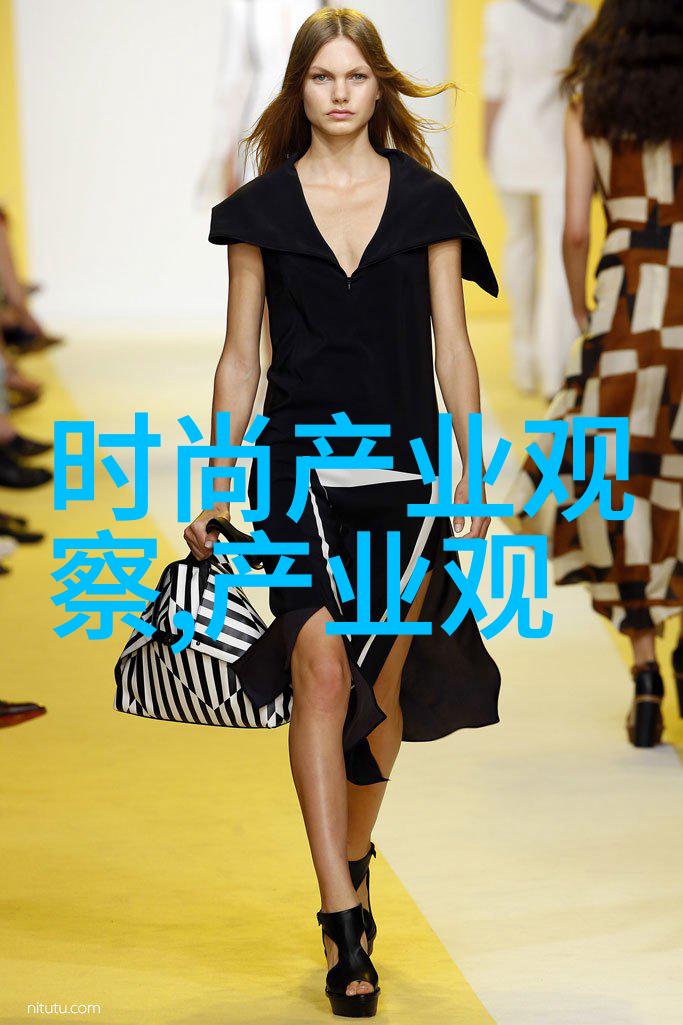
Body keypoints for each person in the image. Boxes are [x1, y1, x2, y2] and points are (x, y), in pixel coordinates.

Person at [185, 7, 501, 1016]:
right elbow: (239, 356)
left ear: (377, 87)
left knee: (382, 684)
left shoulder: (428, 202)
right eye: (320, 77)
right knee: (320, 668)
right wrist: (215, 477)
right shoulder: (259, 211)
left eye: (353, 77)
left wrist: (473, 467)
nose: (337, 93)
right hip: (297, 475)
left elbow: (452, 343)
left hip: (404, 473)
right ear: (299, 89)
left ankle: (353, 857)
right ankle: (341, 919)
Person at [502, 0, 683, 749]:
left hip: (627, 303)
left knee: (621, 480)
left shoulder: (591, 96)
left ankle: (644, 671)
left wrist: (584, 305)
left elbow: (576, 226)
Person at [482, 0, 594, 397]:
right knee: (558, 253)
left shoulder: (501, 12)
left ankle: (524, 358)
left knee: (520, 246)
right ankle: (555, 369)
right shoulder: (580, 15)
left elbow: (494, 85)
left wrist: (486, 143)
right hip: (563, 143)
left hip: (512, 140)